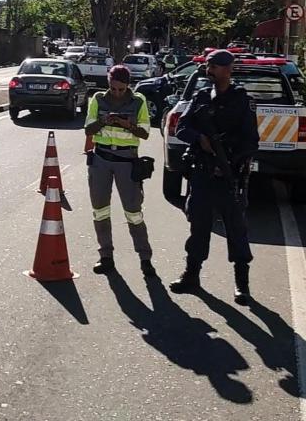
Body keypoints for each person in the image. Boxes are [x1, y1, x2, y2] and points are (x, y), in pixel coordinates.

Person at [169, 49, 259, 305]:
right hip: (202, 173)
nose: (210, 70)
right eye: (209, 66)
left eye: (215, 67)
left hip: (230, 175)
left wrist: (230, 161)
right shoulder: (200, 96)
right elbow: (183, 127)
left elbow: (251, 141)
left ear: (228, 69)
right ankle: (191, 275)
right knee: (198, 227)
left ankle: (242, 284)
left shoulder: (242, 100)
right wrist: (200, 139)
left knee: (237, 231)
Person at [84, 65, 156, 277]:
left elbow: (145, 134)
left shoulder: (139, 101)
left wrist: (127, 125)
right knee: (100, 210)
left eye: (121, 89)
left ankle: (145, 259)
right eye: (113, 88)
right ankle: (105, 255)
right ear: (109, 83)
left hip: (127, 161)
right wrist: (103, 121)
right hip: (101, 159)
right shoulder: (97, 99)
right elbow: (88, 129)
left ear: (128, 86)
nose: (117, 93)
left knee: (134, 211)